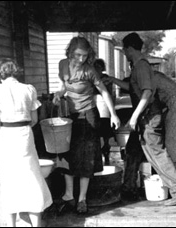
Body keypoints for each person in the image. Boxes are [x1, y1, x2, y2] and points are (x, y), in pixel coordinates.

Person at [103, 32, 176, 206]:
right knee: (132, 151)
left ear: (129, 49)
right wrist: (112, 80)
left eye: (125, 50)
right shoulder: (137, 66)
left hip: (149, 117)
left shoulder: (142, 66)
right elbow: (132, 86)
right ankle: (128, 189)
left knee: (156, 153)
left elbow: (147, 92)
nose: (124, 54)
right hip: (144, 117)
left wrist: (134, 117)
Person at [0, 58, 52, 227]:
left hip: (5, 137)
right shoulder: (28, 89)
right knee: (31, 179)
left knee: (9, 181)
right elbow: (34, 119)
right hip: (24, 136)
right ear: (16, 72)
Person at [52, 36, 120, 214]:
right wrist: (59, 94)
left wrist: (113, 114)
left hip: (89, 115)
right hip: (70, 115)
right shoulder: (63, 65)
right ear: (70, 53)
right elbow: (63, 86)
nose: (81, 59)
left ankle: (82, 199)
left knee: (86, 156)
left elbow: (104, 92)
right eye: (77, 55)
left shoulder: (89, 71)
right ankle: (68, 195)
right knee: (66, 153)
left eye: (84, 56)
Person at [93, 58, 115, 165]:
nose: (97, 69)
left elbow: (108, 93)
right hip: (94, 103)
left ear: (102, 68)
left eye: (99, 66)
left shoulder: (105, 79)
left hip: (103, 105)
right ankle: (98, 151)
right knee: (96, 129)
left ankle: (106, 150)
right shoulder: (91, 78)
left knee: (105, 128)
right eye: (95, 66)